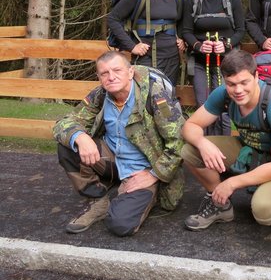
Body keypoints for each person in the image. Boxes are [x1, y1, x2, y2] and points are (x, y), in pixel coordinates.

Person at [52, 51, 185, 236]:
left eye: (117, 70)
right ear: (98, 77)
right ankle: (98, 200)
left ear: (130, 72)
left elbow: (179, 141)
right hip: (112, 159)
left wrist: (155, 174)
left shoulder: (155, 95)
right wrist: (81, 137)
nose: (111, 77)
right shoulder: (100, 94)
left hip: (143, 170)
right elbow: (64, 123)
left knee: (120, 224)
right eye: (104, 73)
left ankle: (147, 195)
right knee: (68, 144)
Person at [180, 49, 271, 234]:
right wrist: (202, 143)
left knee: (265, 211)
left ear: (256, 76)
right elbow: (190, 126)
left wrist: (231, 183)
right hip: (249, 148)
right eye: (231, 84)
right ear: (224, 81)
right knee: (190, 150)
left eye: (244, 82)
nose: (238, 90)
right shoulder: (223, 94)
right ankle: (220, 204)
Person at [182, 0, 245, 135]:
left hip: (227, 62)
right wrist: (198, 46)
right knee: (203, 104)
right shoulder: (191, 0)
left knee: (225, 106)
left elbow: (240, 30)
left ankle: (224, 151)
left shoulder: (232, 0)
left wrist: (226, 45)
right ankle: (206, 147)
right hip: (200, 61)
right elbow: (186, 30)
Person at [107, 0, 186, 86]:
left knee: (167, 101)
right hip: (146, 58)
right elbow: (113, 19)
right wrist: (132, 47)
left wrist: (181, 39)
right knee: (145, 100)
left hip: (172, 58)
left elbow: (180, 21)